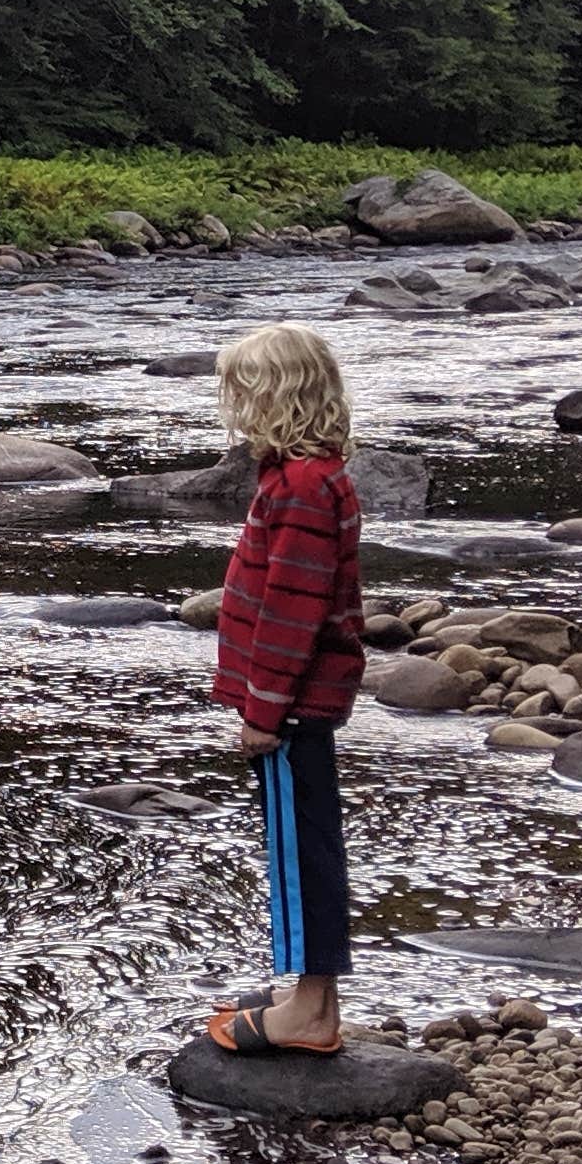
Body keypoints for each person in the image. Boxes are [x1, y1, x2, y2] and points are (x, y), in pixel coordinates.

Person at [202, 321, 365, 1056]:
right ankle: (309, 993)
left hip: (292, 706)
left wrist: (263, 709)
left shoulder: (301, 486)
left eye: (243, 392)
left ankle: (312, 1013)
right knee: (304, 850)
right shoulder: (305, 474)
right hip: (294, 701)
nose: (233, 407)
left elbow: (293, 611)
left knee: (299, 858)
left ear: (279, 398)